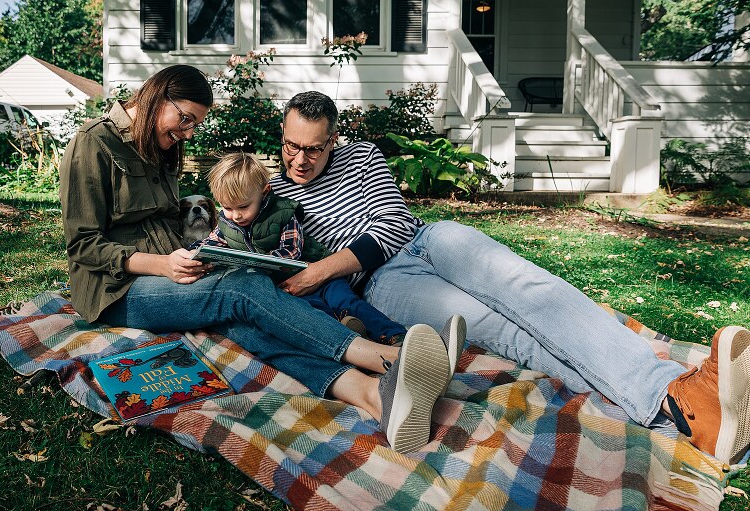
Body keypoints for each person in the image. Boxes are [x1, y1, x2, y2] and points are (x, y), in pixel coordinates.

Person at [269, 90, 750, 466]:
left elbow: (393, 223)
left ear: (333, 139)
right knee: (509, 333)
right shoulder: (269, 195)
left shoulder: (363, 155)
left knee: (535, 291)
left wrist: (322, 269)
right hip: (380, 285)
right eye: (291, 146)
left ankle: (677, 394)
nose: (300, 159)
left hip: (430, 239)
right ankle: (682, 414)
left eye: (313, 148)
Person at [58, 65, 466, 454]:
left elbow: (165, 221)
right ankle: (391, 359)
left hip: (174, 274)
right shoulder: (92, 142)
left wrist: (206, 254)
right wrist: (162, 265)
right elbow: (82, 245)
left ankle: (375, 398)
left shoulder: (159, 144)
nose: (188, 133)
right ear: (157, 98)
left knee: (243, 318)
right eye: (185, 120)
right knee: (245, 289)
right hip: (118, 291)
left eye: (194, 124)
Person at [192, 151, 407, 345]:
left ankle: (396, 335)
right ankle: (351, 336)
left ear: (264, 192)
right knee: (311, 313)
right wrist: (195, 254)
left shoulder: (283, 213)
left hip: (319, 274)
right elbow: (211, 243)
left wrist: (257, 264)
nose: (236, 215)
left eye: (243, 206)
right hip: (290, 288)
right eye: (227, 207)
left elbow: (290, 253)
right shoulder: (227, 223)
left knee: (347, 301)